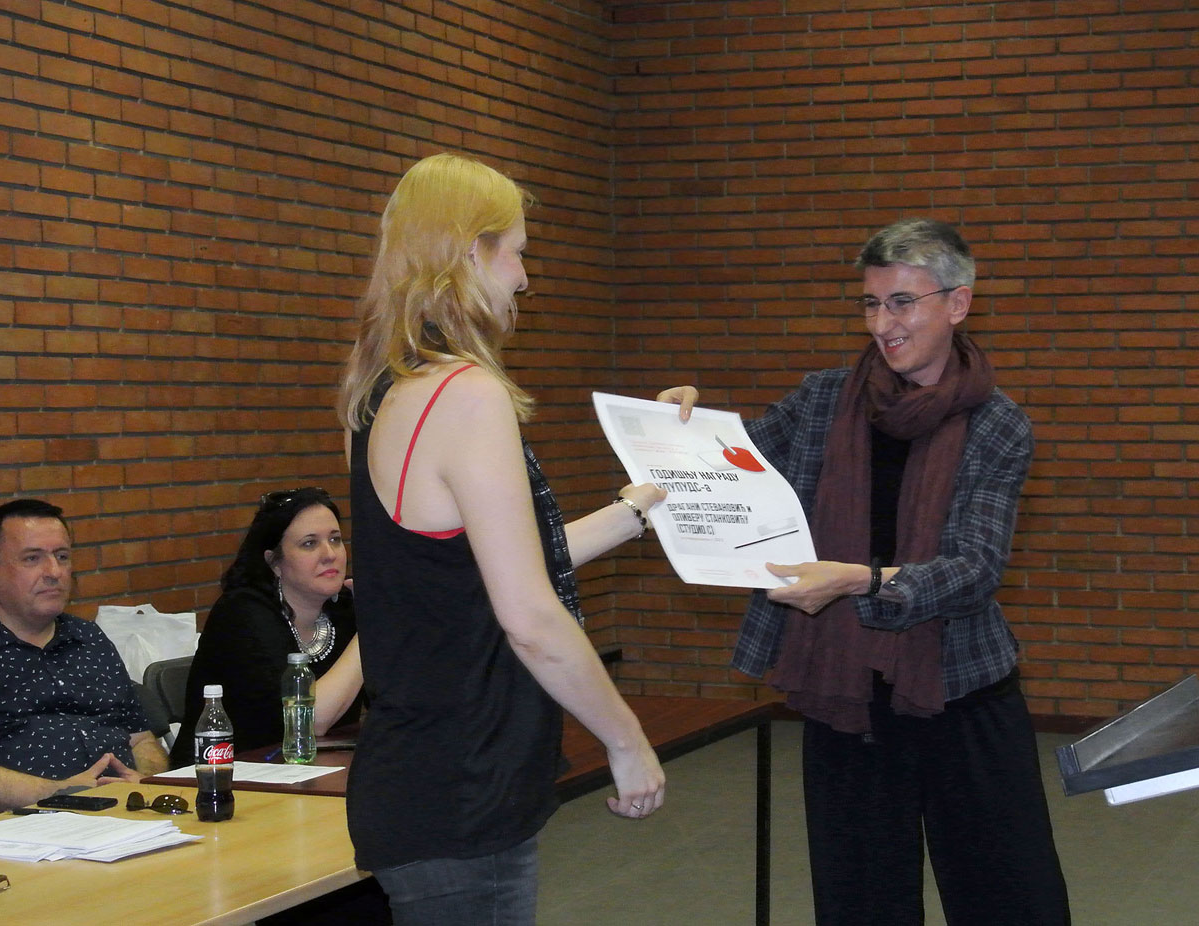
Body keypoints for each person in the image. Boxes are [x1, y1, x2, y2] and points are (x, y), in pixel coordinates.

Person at [659, 218, 1069, 926]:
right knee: (859, 902)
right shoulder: (823, 398)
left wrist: (863, 582)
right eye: (871, 304)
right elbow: (731, 471)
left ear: (958, 303)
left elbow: (975, 569)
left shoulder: (998, 424)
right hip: (844, 693)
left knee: (1009, 897)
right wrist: (679, 428)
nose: (883, 324)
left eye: (902, 303)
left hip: (960, 690)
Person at [337, 151, 666, 925]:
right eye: (516, 252)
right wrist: (625, 738)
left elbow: (472, 571)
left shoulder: (378, 392)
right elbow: (529, 617)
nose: (523, 277)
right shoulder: (466, 392)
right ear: (469, 252)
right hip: (463, 785)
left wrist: (639, 509)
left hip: (423, 778)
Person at [0, 499, 169, 823]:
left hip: (127, 815)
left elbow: (141, 738)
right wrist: (57, 792)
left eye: (62, 556)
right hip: (20, 828)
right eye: (32, 558)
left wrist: (143, 782)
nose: (54, 572)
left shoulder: (90, 639)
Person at [170, 487, 365, 768]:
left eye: (335, 539)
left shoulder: (345, 608)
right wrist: (372, 629)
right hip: (224, 777)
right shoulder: (242, 614)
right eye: (309, 544)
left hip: (315, 770)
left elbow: (398, 700)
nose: (329, 554)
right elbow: (309, 722)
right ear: (274, 562)